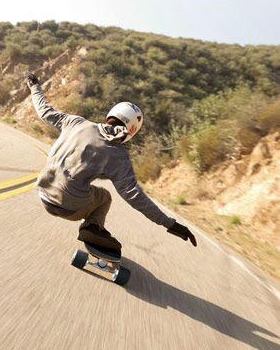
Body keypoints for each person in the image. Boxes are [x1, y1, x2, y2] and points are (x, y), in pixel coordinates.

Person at [26, 72, 197, 250]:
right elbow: (134, 196)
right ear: (132, 130)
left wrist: (34, 86)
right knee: (104, 197)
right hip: (69, 208)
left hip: (43, 193)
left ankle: (92, 228)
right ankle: (92, 228)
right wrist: (170, 224)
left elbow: (44, 110)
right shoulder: (118, 155)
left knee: (88, 189)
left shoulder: (75, 122)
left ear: (110, 115)